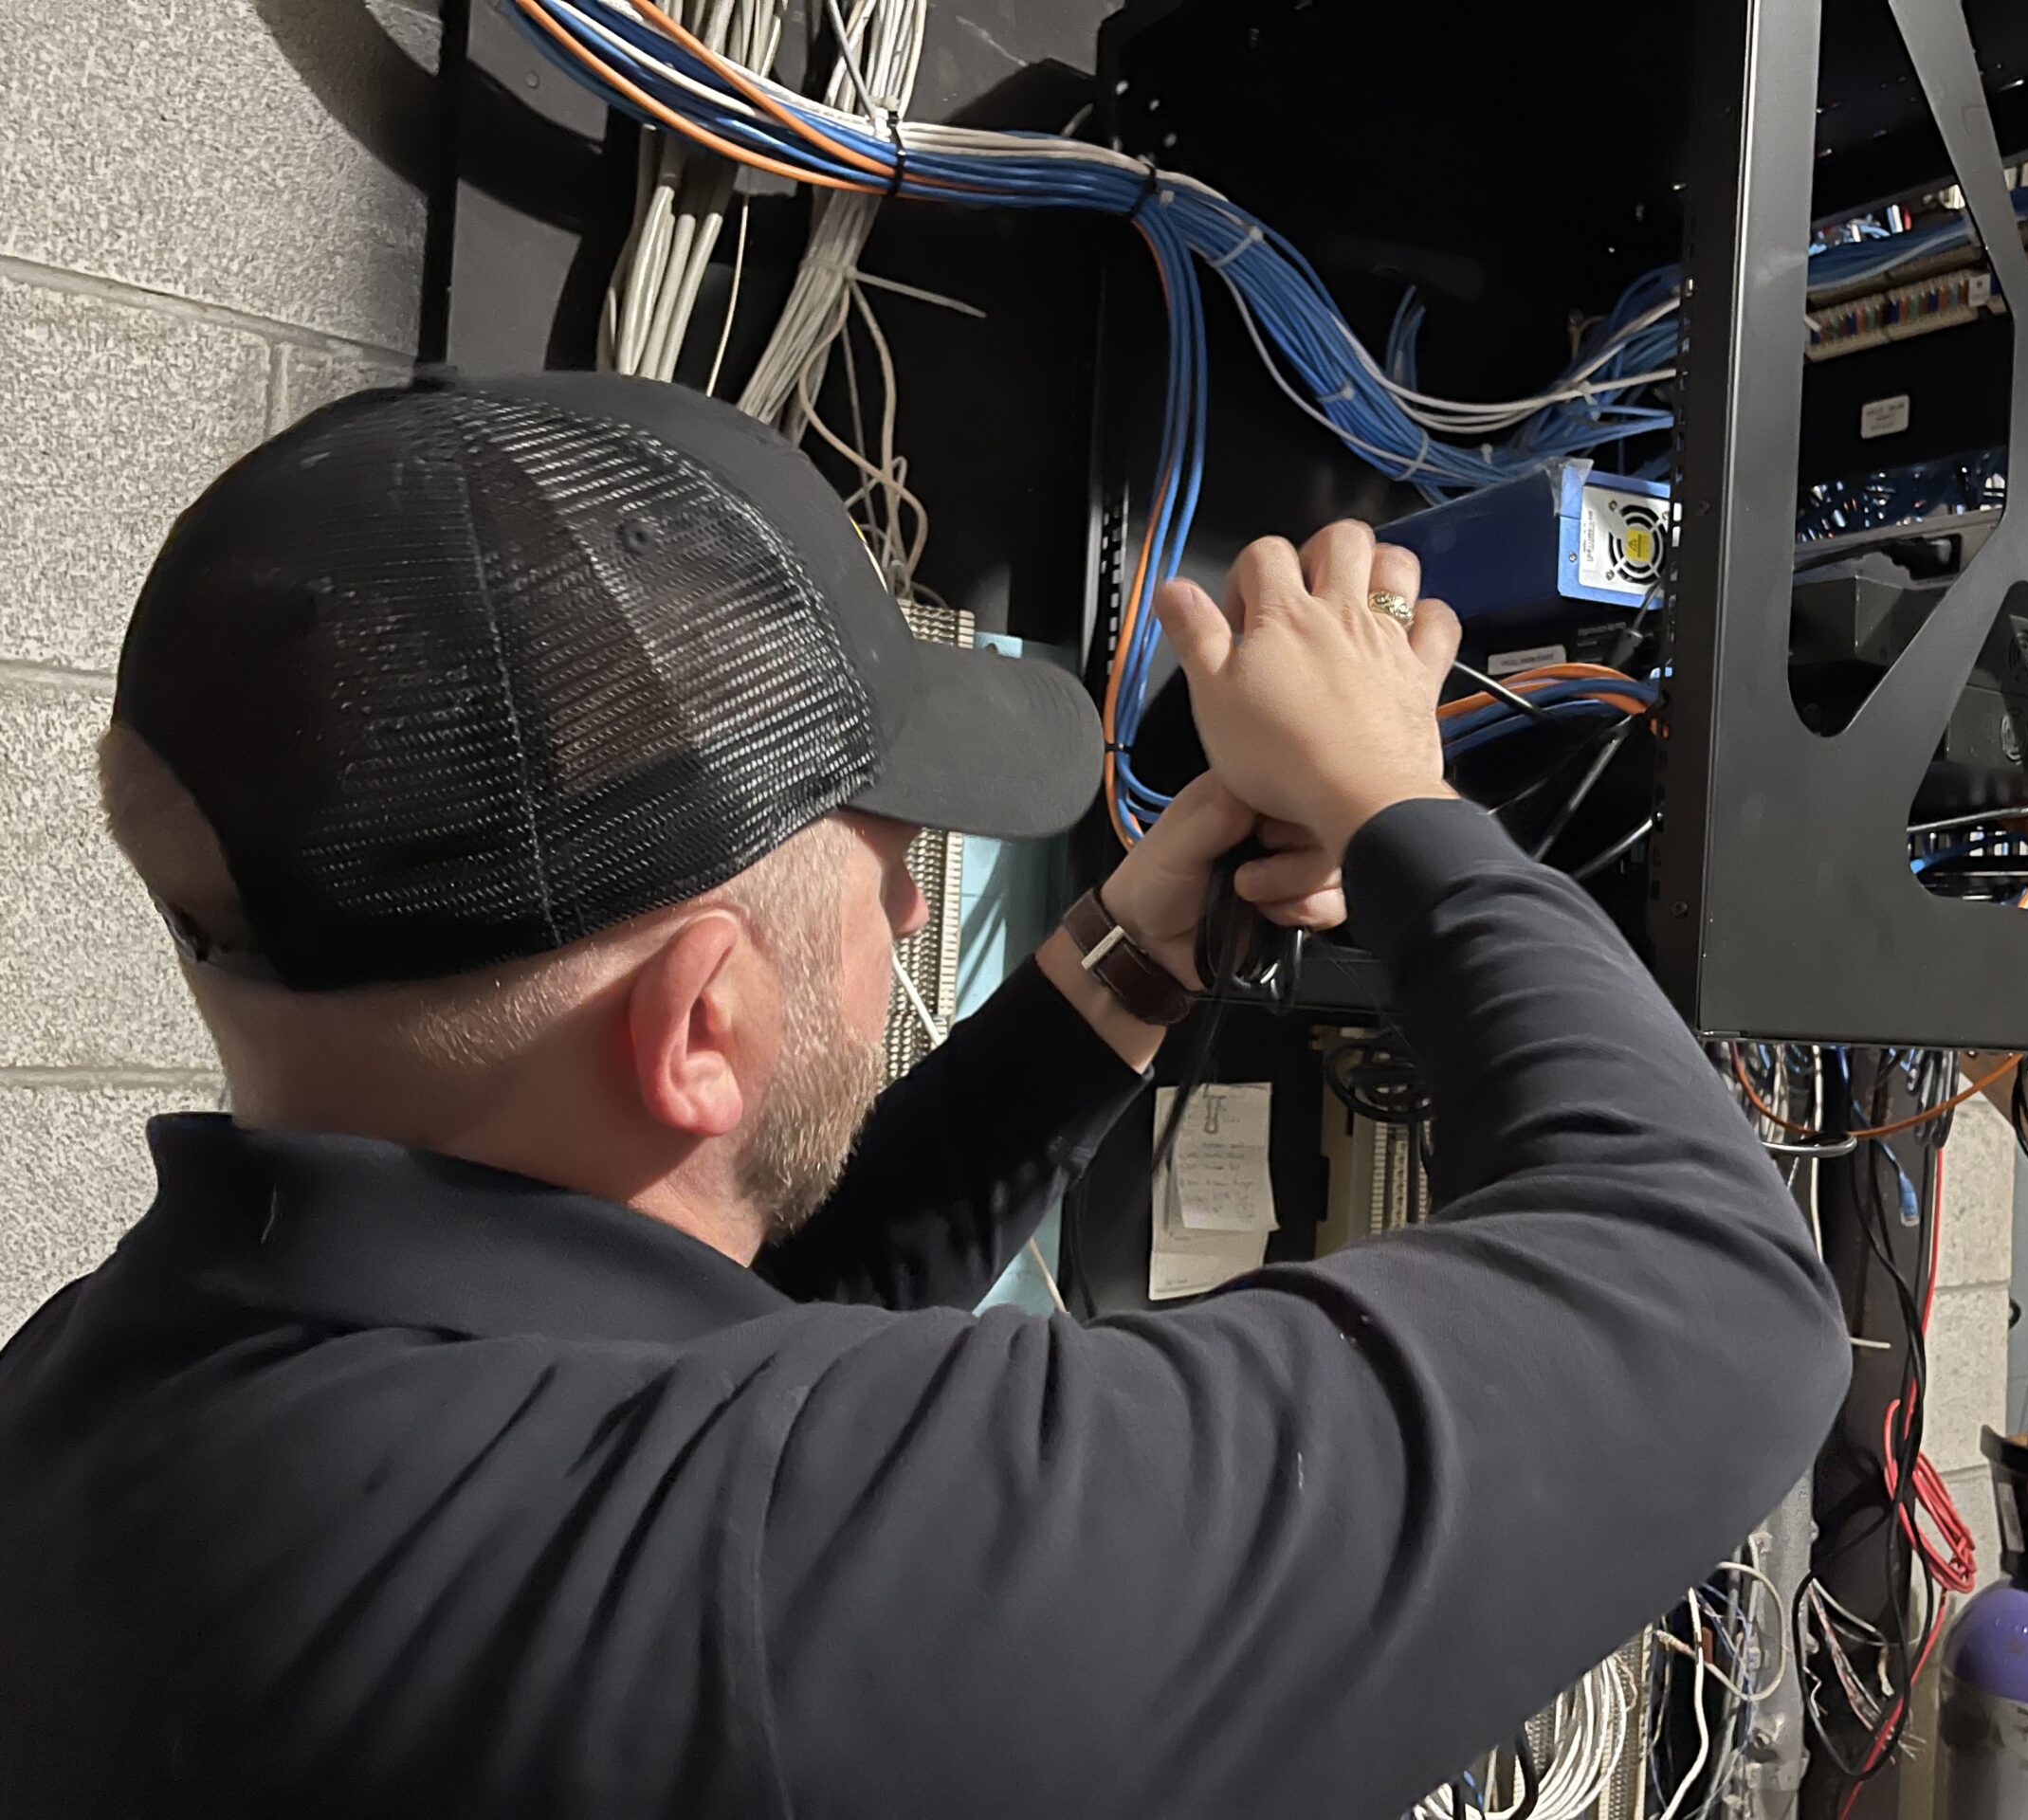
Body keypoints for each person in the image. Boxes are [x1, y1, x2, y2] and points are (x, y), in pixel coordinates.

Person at [0, 372, 1848, 1820]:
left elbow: (759, 1336)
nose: (910, 905)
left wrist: (1146, 945)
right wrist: (1396, 805)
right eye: (890, 867)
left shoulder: (100, 1392)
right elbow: (1711, 1300)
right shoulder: (766, 1590)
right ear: (699, 1027)